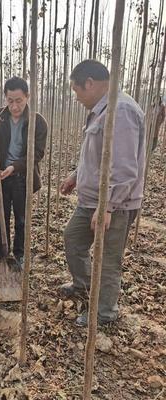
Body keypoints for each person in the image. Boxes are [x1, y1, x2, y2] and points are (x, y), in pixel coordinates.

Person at [59, 60, 145, 326]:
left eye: (76, 90)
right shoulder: (101, 110)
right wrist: (76, 175)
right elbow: (99, 155)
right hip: (90, 200)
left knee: (108, 259)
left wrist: (107, 206)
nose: (75, 97)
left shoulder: (120, 111)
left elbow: (124, 168)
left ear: (90, 84)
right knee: (73, 239)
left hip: (115, 205)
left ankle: (105, 312)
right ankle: (84, 284)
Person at [0, 76, 47, 268]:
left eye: (18, 100)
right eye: (10, 101)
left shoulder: (38, 122)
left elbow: (37, 154)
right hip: (0, 176)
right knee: (0, 219)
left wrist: (15, 167)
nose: (14, 106)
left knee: (21, 220)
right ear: (5, 98)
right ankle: (1, 256)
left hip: (22, 177)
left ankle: (19, 257)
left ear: (27, 96)